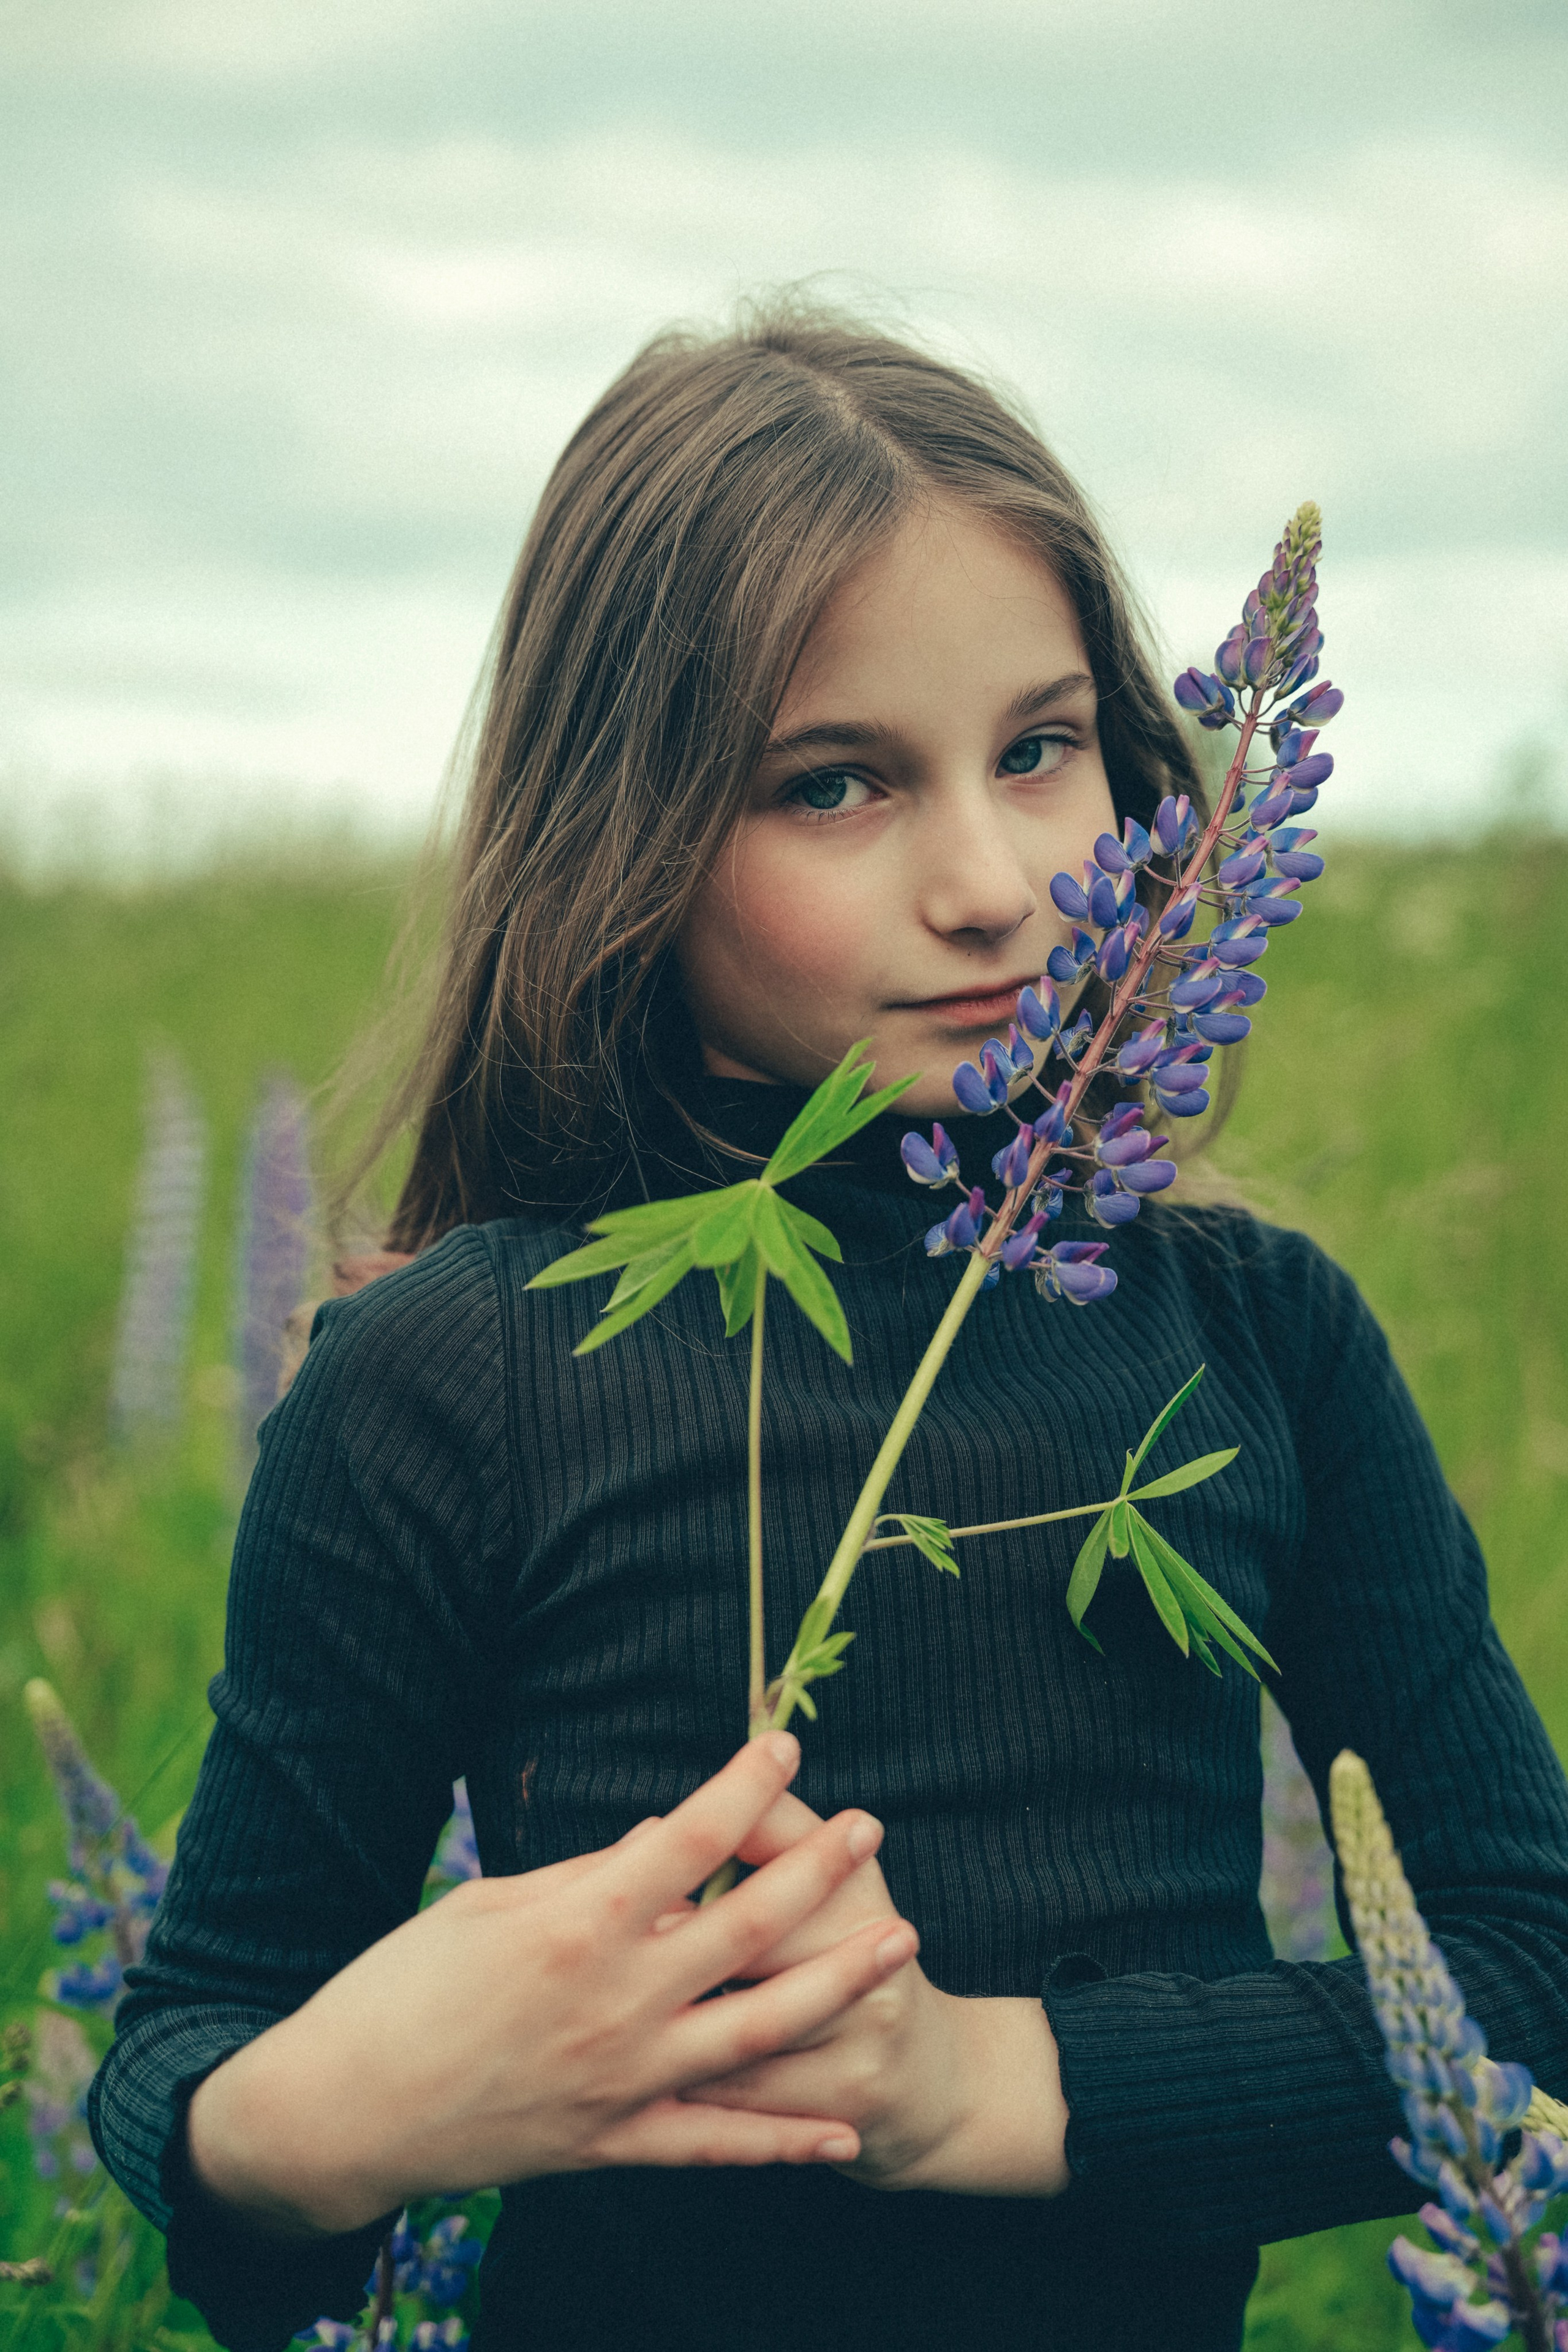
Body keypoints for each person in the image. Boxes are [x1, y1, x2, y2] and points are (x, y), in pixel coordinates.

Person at [90, 306, 1568, 2352]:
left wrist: (978, 2089)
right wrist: (344, 2112)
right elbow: (191, 2070)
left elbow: (1526, 1973)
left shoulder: (1265, 1338)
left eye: (1041, 749)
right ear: (630, 836)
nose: (988, 881)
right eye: (836, 782)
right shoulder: (453, 1368)